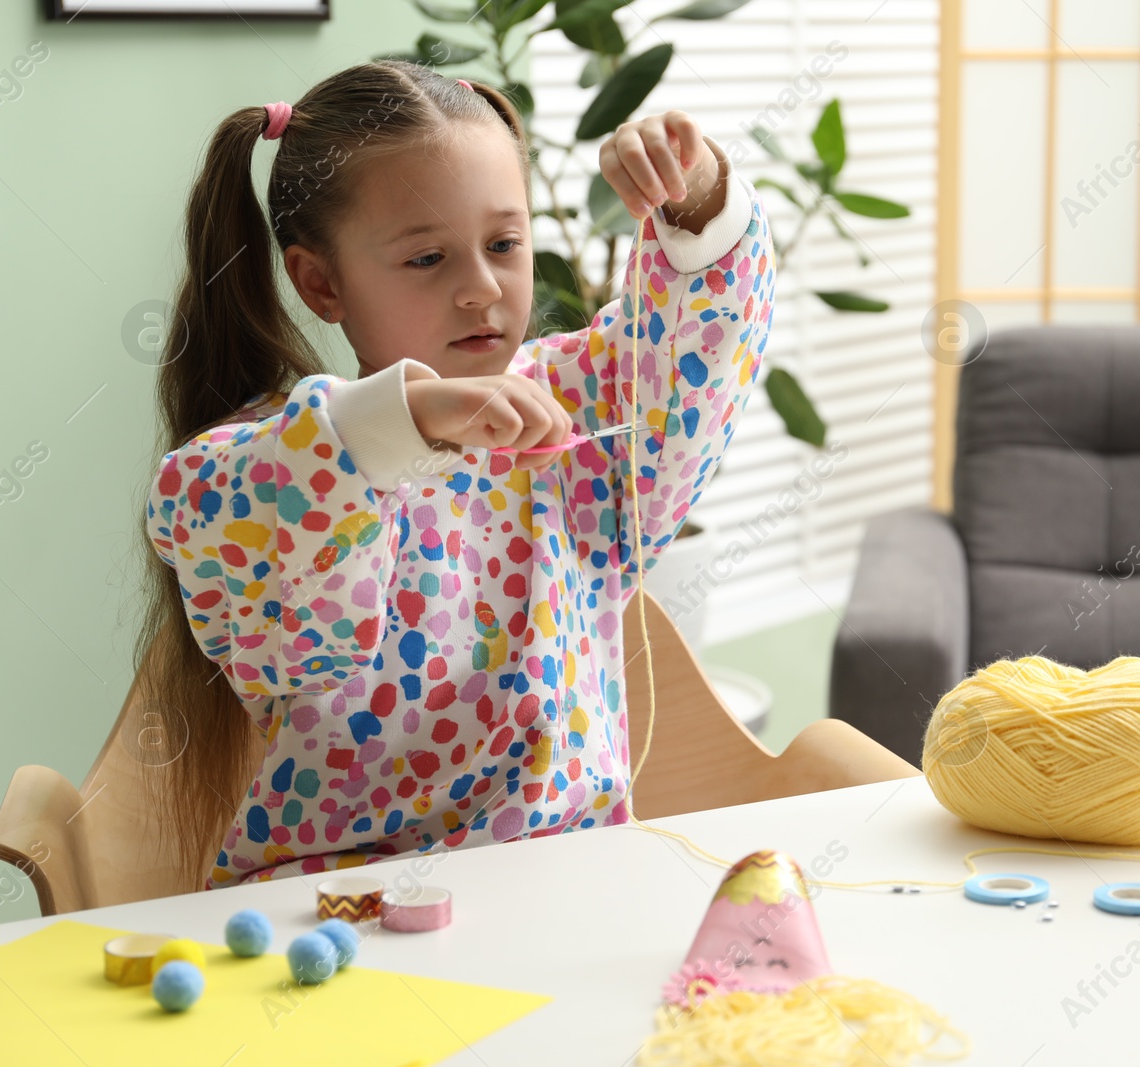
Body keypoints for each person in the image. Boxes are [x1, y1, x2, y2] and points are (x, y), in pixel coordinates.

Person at [139, 59, 773, 888]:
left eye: (505, 244)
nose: (482, 289)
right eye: (428, 258)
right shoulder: (289, 463)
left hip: (566, 887)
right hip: (338, 909)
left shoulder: (573, 409)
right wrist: (404, 419)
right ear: (321, 283)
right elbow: (202, 502)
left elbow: (697, 355)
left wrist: (696, 192)